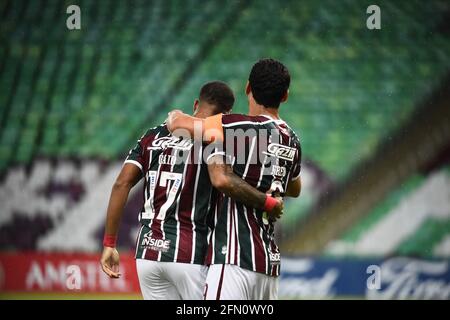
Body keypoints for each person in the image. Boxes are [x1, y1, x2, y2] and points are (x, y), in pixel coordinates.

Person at [100, 81, 283, 300]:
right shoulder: (216, 139)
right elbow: (228, 180)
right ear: (226, 114)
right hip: (191, 252)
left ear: (196, 103)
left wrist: (110, 243)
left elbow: (122, 184)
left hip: (147, 254)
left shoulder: (153, 136)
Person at [167, 58, 302, 299]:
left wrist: (176, 114)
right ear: (285, 96)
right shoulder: (292, 139)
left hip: (233, 258)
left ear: (248, 88)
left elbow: (178, 125)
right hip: (267, 266)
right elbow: (294, 188)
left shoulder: (235, 126)